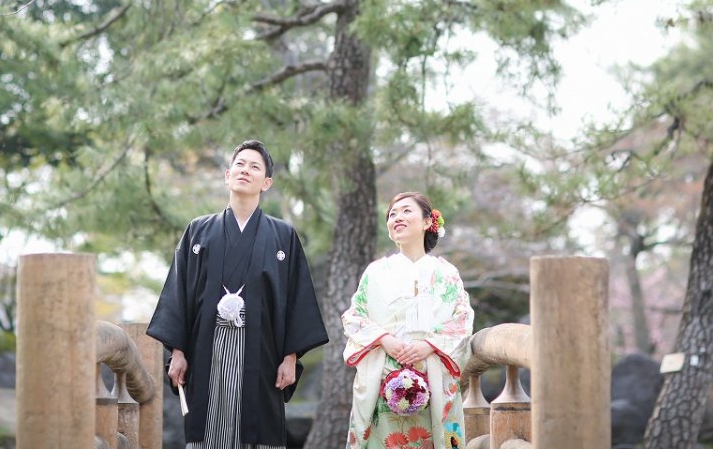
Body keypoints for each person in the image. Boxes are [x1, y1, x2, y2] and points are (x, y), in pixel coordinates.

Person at [147, 139, 328, 449]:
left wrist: (290, 356)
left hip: (263, 349)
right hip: (207, 344)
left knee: (257, 429)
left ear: (266, 182)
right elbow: (179, 292)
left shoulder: (283, 236)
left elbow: (298, 299)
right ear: (227, 175)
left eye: (255, 167)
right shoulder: (198, 231)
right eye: (240, 164)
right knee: (208, 427)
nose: (246, 170)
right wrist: (177, 351)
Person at [342, 192, 474, 449]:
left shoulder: (446, 273)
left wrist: (430, 345)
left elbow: (463, 317)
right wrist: (384, 339)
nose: (397, 218)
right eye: (392, 214)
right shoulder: (376, 272)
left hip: (433, 376)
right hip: (384, 377)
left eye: (405, 211)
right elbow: (354, 316)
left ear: (427, 222)